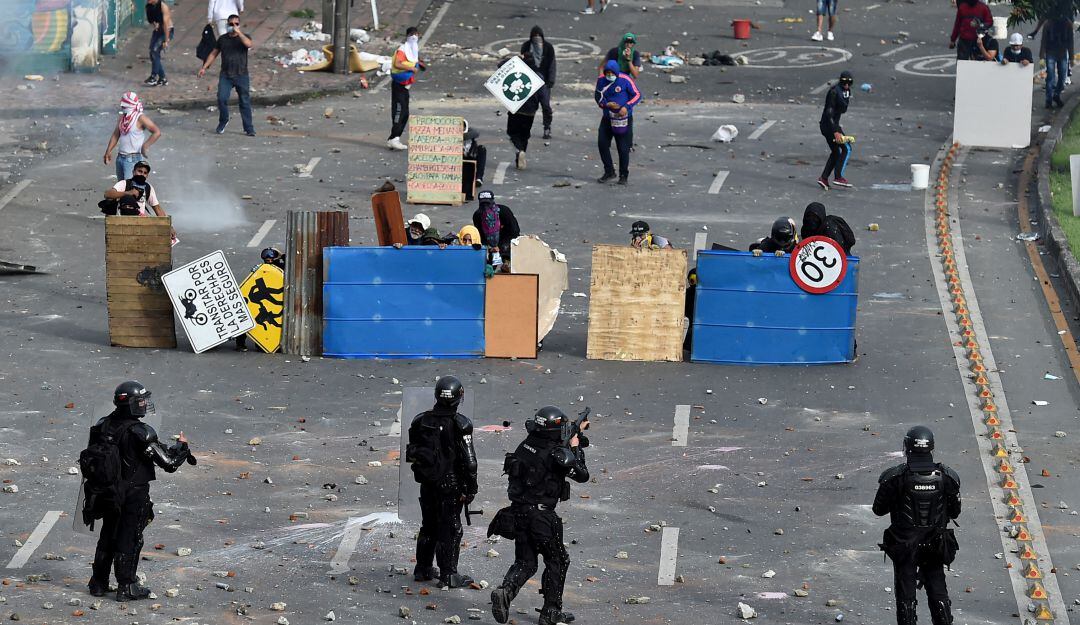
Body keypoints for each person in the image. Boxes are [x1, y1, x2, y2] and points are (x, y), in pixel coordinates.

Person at [80, 381, 195, 600]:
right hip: (133, 493)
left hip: (107, 491)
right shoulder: (141, 432)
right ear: (130, 404)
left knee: (108, 535)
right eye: (140, 401)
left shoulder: (103, 424)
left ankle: (98, 583)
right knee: (130, 538)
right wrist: (182, 447)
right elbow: (169, 463)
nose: (144, 404)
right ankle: (127, 586)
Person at [489, 406, 589, 625]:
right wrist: (575, 446)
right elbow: (582, 474)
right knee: (558, 560)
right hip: (541, 517)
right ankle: (551, 612)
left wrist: (573, 434)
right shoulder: (557, 454)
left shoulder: (526, 445)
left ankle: (505, 591)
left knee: (525, 562)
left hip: (518, 512)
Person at [874, 426, 961, 625]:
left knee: (906, 594)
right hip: (936, 544)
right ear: (932, 447)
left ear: (906, 447)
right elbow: (955, 511)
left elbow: (878, 509)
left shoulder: (894, 477)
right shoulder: (947, 477)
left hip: (904, 545)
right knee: (938, 589)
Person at [405, 376, 478, 588]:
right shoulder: (461, 424)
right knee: (452, 529)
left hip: (428, 482)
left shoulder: (420, 421)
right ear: (459, 397)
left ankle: (423, 568)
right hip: (450, 485)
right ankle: (449, 574)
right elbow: (470, 461)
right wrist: (471, 489)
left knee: (428, 526)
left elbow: (413, 454)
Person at [197, 15, 255, 137]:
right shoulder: (223, 39)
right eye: (231, 24)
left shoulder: (244, 37)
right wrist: (204, 67)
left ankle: (249, 128)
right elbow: (214, 53)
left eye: (236, 24)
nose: (233, 26)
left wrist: (239, 33)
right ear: (227, 25)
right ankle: (224, 120)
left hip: (241, 74)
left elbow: (249, 44)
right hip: (226, 75)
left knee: (244, 101)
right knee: (222, 98)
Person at [595, 60, 642, 185]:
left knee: (623, 148)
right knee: (602, 144)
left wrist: (626, 107)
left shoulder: (625, 79)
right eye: (607, 73)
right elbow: (598, 97)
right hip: (607, 117)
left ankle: (623, 175)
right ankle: (609, 171)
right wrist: (606, 104)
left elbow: (637, 95)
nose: (610, 75)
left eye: (612, 73)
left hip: (623, 118)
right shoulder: (601, 81)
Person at [103, 92, 161, 182]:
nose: (122, 107)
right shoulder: (122, 117)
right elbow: (116, 135)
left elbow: (156, 132)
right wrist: (108, 151)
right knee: (122, 186)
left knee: (131, 187)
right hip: (120, 158)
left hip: (133, 158)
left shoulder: (140, 118)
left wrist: (145, 146)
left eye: (124, 105)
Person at [235, 247, 284, 351]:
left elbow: (292, 263)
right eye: (266, 258)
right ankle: (240, 343)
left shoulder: (281, 268)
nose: (268, 260)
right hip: (260, 301)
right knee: (247, 317)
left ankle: (267, 343)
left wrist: (281, 255)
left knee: (274, 323)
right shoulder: (259, 269)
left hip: (270, 301)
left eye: (270, 258)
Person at [388, 27, 425, 151]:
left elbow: (411, 61)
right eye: (412, 34)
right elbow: (397, 64)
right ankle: (394, 138)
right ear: (407, 36)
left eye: (416, 34)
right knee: (399, 111)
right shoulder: (403, 49)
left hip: (405, 86)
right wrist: (411, 69)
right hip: (399, 84)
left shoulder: (412, 50)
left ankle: (393, 138)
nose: (414, 37)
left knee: (405, 113)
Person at [817, 70, 854, 190]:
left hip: (829, 125)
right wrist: (836, 132)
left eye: (849, 83)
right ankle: (838, 177)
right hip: (830, 125)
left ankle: (823, 178)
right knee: (847, 148)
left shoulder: (846, 92)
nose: (847, 85)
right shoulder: (834, 92)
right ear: (840, 82)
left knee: (836, 152)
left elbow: (843, 109)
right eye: (844, 83)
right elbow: (829, 113)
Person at [506, 53, 542, 170]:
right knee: (524, 136)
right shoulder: (538, 76)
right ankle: (521, 156)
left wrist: (516, 59)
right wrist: (547, 115)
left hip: (516, 109)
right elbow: (544, 97)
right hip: (530, 112)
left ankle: (520, 151)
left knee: (513, 133)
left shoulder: (518, 72)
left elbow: (501, 65)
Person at [521, 26, 556, 140]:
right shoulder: (526, 46)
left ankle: (547, 127)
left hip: (543, 82)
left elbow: (552, 64)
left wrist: (551, 80)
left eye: (539, 36)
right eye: (534, 36)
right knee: (529, 107)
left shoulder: (548, 47)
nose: (537, 38)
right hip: (530, 82)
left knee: (546, 106)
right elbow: (522, 64)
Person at [473, 190, 521, 264]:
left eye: (487, 203)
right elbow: (479, 235)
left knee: (507, 265)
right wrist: (489, 247)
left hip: (506, 243)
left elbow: (515, 231)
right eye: (483, 204)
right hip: (489, 247)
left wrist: (501, 247)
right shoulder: (477, 216)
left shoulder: (504, 212)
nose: (485, 207)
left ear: (492, 202)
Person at [1041, 16, 1074, 107]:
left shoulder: (1068, 24)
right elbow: (1044, 40)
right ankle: (1048, 100)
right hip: (1050, 53)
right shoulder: (1048, 23)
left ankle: (1056, 94)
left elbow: (1070, 42)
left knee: (1063, 77)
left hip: (1062, 53)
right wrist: (1042, 56)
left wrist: (1071, 57)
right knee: (1050, 78)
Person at [144, 0, 173, 87]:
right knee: (152, 53)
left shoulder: (163, 6)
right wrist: (155, 25)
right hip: (158, 30)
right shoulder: (149, 6)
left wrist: (166, 40)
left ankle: (153, 76)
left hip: (167, 31)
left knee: (154, 51)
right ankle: (162, 78)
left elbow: (166, 25)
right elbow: (151, 19)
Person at [463, 119, 487, 188]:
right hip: (459, 158)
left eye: (463, 127)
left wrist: (462, 135)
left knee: (482, 149)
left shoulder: (471, 132)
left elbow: (476, 133)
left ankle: (479, 178)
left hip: (470, 156)